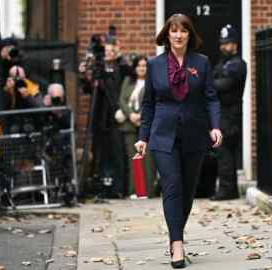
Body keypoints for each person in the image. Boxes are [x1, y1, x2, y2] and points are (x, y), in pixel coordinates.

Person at [134, 14, 222, 268]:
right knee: (172, 186)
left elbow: (211, 98)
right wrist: (143, 138)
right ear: (167, 34)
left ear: (189, 35)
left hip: (194, 135)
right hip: (163, 135)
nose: (179, 35)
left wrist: (215, 126)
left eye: (183, 30)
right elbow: (148, 104)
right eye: (174, 30)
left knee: (187, 191)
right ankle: (178, 245)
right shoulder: (155, 65)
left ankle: (175, 236)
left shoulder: (202, 63)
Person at [79, 36, 129, 198]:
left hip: (116, 117)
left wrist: (118, 59)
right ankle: (100, 186)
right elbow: (88, 89)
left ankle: (119, 188)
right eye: (107, 50)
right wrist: (85, 75)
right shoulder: (98, 70)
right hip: (100, 118)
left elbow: (118, 86)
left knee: (118, 153)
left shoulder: (121, 68)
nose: (109, 53)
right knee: (100, 153)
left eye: (112, 50)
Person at [211, 25, 247, 201]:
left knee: (225, 151)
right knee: (223, 152)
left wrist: (211, 84)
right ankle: (229, 189)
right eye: (222, 43)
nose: (223, 47)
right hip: (222, 113)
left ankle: (226, 190)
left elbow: (224, 85)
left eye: (227, 43)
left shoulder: (238, 64)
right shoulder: (223, 63)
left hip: (230, 114)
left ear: (235, 44)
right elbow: (214, 79)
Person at [118, 55, 158, 198]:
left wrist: (142, 115)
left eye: (144, 65)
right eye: (139, 65)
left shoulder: (153, 81)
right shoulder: (128, 81)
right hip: (130, 125)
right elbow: (122, 100)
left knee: (148, 159)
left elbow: (155, 100)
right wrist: (131, 115)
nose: (142, 68)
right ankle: (134, 191)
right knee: (133, 159)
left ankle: (147, 192)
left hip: (147, 125)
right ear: (134, 68)